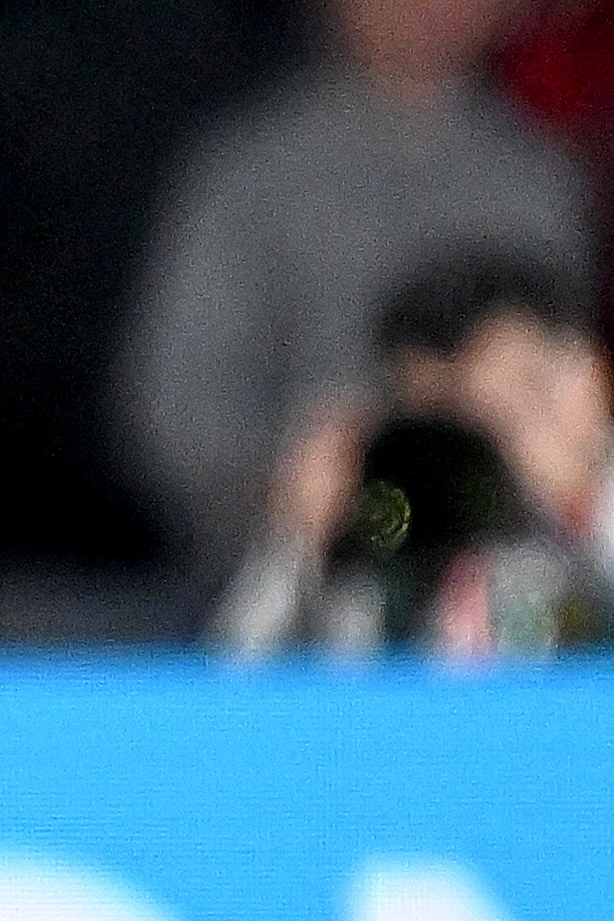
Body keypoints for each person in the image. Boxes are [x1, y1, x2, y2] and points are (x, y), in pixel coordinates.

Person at [110, 0, 588, 580]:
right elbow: (174, 408)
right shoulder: (247, 169)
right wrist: (301, 481)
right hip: (286, 566)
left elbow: (566, 388)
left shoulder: (540, 177)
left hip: (506, 570)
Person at [214, 250, 611, 655]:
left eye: (524, 390)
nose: (488, 437)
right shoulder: (398, 530)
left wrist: (577, 509)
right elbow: (237, 680)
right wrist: (301, 547)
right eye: (449, 415)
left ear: (587, 374)